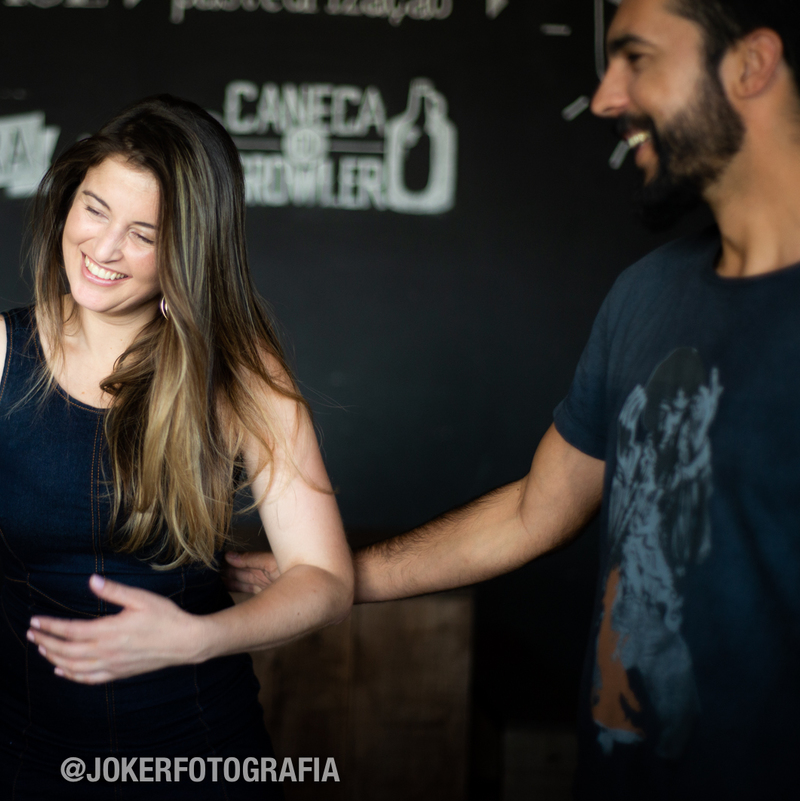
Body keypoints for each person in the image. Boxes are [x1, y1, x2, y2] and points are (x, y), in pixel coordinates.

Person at [223, 0, 800, 797]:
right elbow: (537, 508)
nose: (603, 97)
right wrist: (329, 575)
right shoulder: (648, 293)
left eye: (635, 57)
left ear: (751, 62)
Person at [0, 95, 353, 800]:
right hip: (20, 756)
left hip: (200, 758)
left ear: (189, 252)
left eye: (143, 233)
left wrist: (197, 637)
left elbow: (324, 579)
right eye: (95, 209)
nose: (103, 249)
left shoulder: (240, 374)